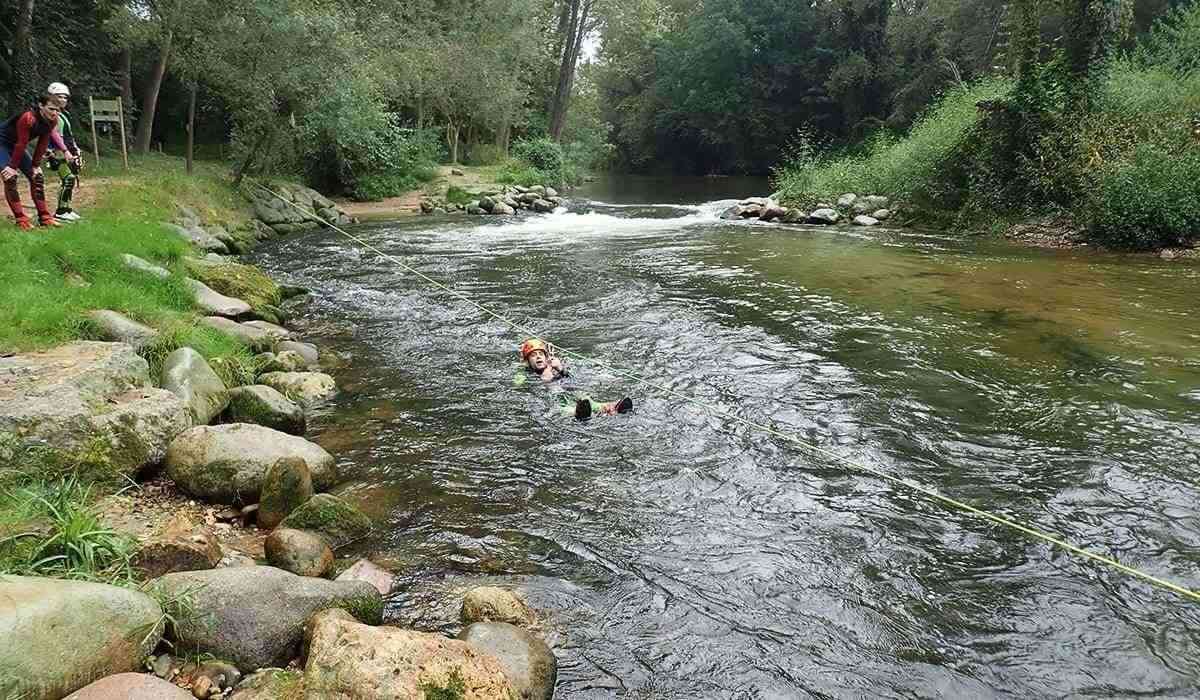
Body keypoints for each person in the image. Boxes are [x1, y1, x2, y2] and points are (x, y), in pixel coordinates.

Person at [514, 338, 633, 421]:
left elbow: (571, 379)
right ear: (528, 361)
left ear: (547, 357)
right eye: (533, 355)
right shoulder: (526, 372)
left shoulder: (555, 366)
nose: (538, 357)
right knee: (560, 405)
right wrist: (543, 380)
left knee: (584, 398)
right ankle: (577, 413)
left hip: (566, 387)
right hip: (551, 392)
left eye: (540, 354)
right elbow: (518, 384)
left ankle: (608, 407)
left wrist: (561, 369)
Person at [0, 96, 61, 230]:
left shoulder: (52, 120)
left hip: (16, 146)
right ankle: (21, 219)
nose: (54, 113)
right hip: (2, 144)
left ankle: (45, 217)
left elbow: (43, 143)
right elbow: (21, 143)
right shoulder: (28, 118)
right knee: (10, 177)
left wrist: (36, 165)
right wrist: (11, 167)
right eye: (51, 109)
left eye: (57, 110)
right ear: (41, 105)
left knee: (37, 177)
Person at [45, 83, 83, 222]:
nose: (63, 100)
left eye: (65, 97)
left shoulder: (64, 115)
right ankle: (61, 211)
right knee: (68, 179)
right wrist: (55, 153)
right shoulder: (52, 116)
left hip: (67, 151)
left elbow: (68, 135)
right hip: (58, 153)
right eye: (60, 97)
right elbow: (53, 136)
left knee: (71, 179)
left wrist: (75, 149)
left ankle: (67, 208)